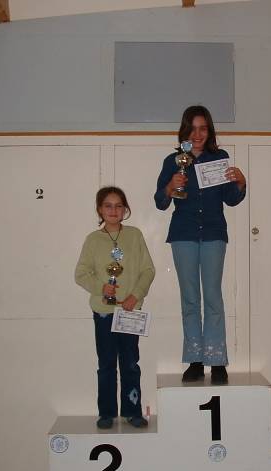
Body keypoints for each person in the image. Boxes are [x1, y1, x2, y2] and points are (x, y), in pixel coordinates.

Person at [154, 105, 246, 384]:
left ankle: (216, 361)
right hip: (183, 234)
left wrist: (241, 182)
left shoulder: (220, 157)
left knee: (213, 297)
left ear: (209, 130)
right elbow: (160, 202)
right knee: (190, 299)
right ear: (184, 130)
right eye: (192, 128)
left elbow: (231, 198)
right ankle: (195, 360)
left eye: (203, 128)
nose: (197, 134)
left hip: (214, 233)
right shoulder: (173, 161)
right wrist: (170, 186)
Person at [75, 186, 155, 429]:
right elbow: (81, 274)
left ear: (125, 209)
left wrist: (135, 295)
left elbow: (148, 270)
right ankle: (107, 413)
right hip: (103, 312)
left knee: (130, 363)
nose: (113, 210)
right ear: (100, 209)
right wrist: (101, 288)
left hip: (129, 312)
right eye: (108, 206)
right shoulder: (93, 240)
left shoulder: (134, 235)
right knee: (107, 364)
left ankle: (132, 411)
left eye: (118, 205)